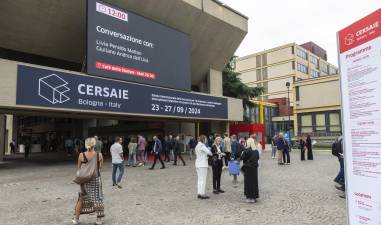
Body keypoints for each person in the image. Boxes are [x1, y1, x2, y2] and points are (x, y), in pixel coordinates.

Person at [72, 137, 104, 225]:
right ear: (95, 144)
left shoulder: (81, 155)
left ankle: (76, 219)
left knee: (81, 198)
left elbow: (78, 168)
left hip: (84, 180)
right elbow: (100, 167)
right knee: (97, 198)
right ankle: (99, 220)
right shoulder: (99, 155)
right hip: (95, 178)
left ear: (86, 144)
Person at [241, 135, 260, 203]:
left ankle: (248, 197)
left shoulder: (246, 151)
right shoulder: (256, 151)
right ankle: (254, 197)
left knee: (248, 183)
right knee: (254, 182)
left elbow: (242, 158)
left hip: (248, 168)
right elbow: (257, 158)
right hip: (254, 168)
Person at [195, 135, 212, 199]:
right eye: (206, 139)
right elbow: (210, 153)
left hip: (198, 164)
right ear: (203, 139)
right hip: (203, 164)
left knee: (199, 179)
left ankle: (199, 193)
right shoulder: (202, 145)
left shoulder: (197, 145)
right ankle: (202, 193)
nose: (206, 140)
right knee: (203, 179)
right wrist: (209, 149)